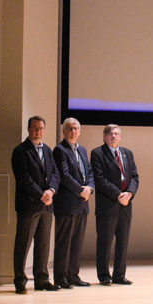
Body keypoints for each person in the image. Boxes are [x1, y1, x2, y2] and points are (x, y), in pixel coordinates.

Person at [11, 116, 60, 294]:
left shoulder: (48, 150)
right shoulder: (20, 151)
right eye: (34, 128)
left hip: (47, 205)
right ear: (28, 129)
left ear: (44, 130)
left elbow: (55, 173)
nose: (37, 131)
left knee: (43, 244)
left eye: (40, 128)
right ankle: (19, 280)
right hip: (29, 205)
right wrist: (41, 194)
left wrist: (51, 191)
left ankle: (42, 279)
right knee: (23, 244)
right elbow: (23, 178)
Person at [90, 124, 139, 286]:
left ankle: (119, 275)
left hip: (126, 204)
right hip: (108, 204)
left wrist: (129, 194)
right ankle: (104, 275)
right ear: (104, 137)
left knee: (123, 241)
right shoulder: (98, 153)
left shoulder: (127, 153)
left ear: (120, 137)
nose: (113, 136)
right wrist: (119, 194)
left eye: (116, 134)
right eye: (110, 134)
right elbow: (100, 179)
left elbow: (134, 177)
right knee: (105, 241)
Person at [52, 118, 94, 288]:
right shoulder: (59, 150)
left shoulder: (82, 150)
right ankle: (61, 277)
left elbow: (89, 172)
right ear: (64, 131)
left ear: (80, 131)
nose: (73, 131)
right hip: (67, 203)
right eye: (70, 128)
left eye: (76, 128)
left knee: (77, 242)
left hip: (82, 203)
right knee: (64, 242)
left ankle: (73, 275)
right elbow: (64, 175)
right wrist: (80, 190)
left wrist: (89, 188)